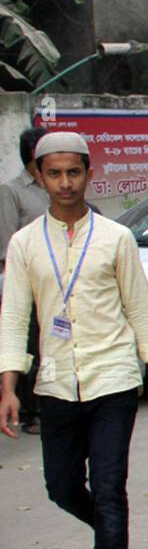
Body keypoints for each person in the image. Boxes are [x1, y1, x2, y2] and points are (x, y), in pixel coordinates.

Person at [0, 131, 148, 549]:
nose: (65, 183)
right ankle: (111, 528)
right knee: (60, 486)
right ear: (38, 176)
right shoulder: (23, 244)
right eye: (54, 173)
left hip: (113, 379)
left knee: (108, 485)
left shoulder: (115, 238)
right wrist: (8, 387)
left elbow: (140, 311)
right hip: (55, 382)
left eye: (74, 172)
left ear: (88, 173)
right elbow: (14, 317)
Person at [0, 126, 49, 435]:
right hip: (25, 280)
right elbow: (7, 238)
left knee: (50, 344)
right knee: (29, 345)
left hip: (56, 280)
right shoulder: (13, 190)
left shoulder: (54, 185)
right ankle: (30, 412)